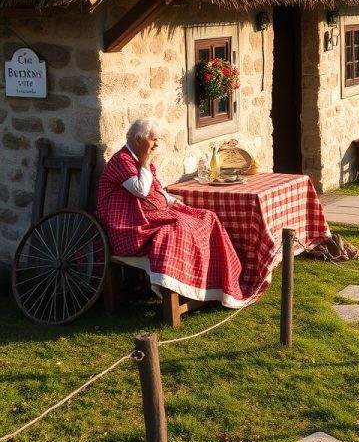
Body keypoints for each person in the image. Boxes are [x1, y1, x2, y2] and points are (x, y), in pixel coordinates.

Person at [96, 118, 254, 308]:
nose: (157, 144)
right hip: (129, 227)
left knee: (207, 218)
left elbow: (155, 189)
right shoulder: (121, 161)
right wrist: (145, 162)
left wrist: (170, 199)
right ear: (138, 140)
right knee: (177, 229)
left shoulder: (138, 158)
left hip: (151, 216)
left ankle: (209, 285)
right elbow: (141, 190)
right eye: (154, 139)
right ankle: (179, 290)